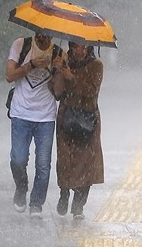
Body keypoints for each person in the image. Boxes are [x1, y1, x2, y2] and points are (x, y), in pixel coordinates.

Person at [5, 33, 65, 218]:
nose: (45, 39)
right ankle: (21, 187)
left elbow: (59, 93)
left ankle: (37, 203)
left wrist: (58, 70)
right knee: (18, 159)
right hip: (21, 113)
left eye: (48, 35)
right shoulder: (21, 45)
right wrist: (31, 64)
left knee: (43, 164)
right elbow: (9, 76)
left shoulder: (58, 52)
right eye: (41, 34)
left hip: (45, 116)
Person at [49, 41, 104, 220]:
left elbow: (90, 91)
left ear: (88, 48)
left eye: (82, 46)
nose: (78, 50)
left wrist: (70, 76)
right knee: (65, 159)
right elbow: (56, 93)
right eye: (74, 46)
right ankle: (64, 192)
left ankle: (79, 205)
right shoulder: (64, 60)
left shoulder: (96, 65)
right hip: (67, 117)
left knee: (87, 163)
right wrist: (57, 72)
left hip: (88, 118)